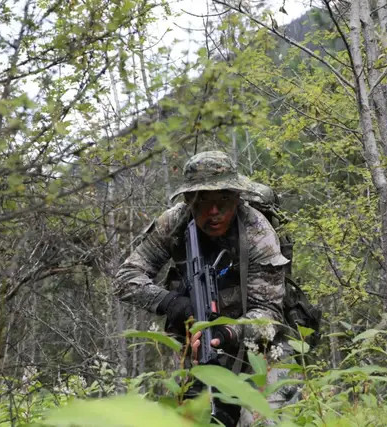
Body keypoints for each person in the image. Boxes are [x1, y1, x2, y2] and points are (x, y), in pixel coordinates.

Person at [114, 151, 290, 426]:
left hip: (258, 342)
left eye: (223, 199)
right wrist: (172, 304)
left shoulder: (258, 233)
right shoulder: (173, 223)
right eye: (203, 201)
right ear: (188, 200)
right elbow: (125, 278)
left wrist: (228, 331)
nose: (214, 211)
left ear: (237, 197)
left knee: (267, 418)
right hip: (194, 343)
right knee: (195, 418)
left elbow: (269, 314)